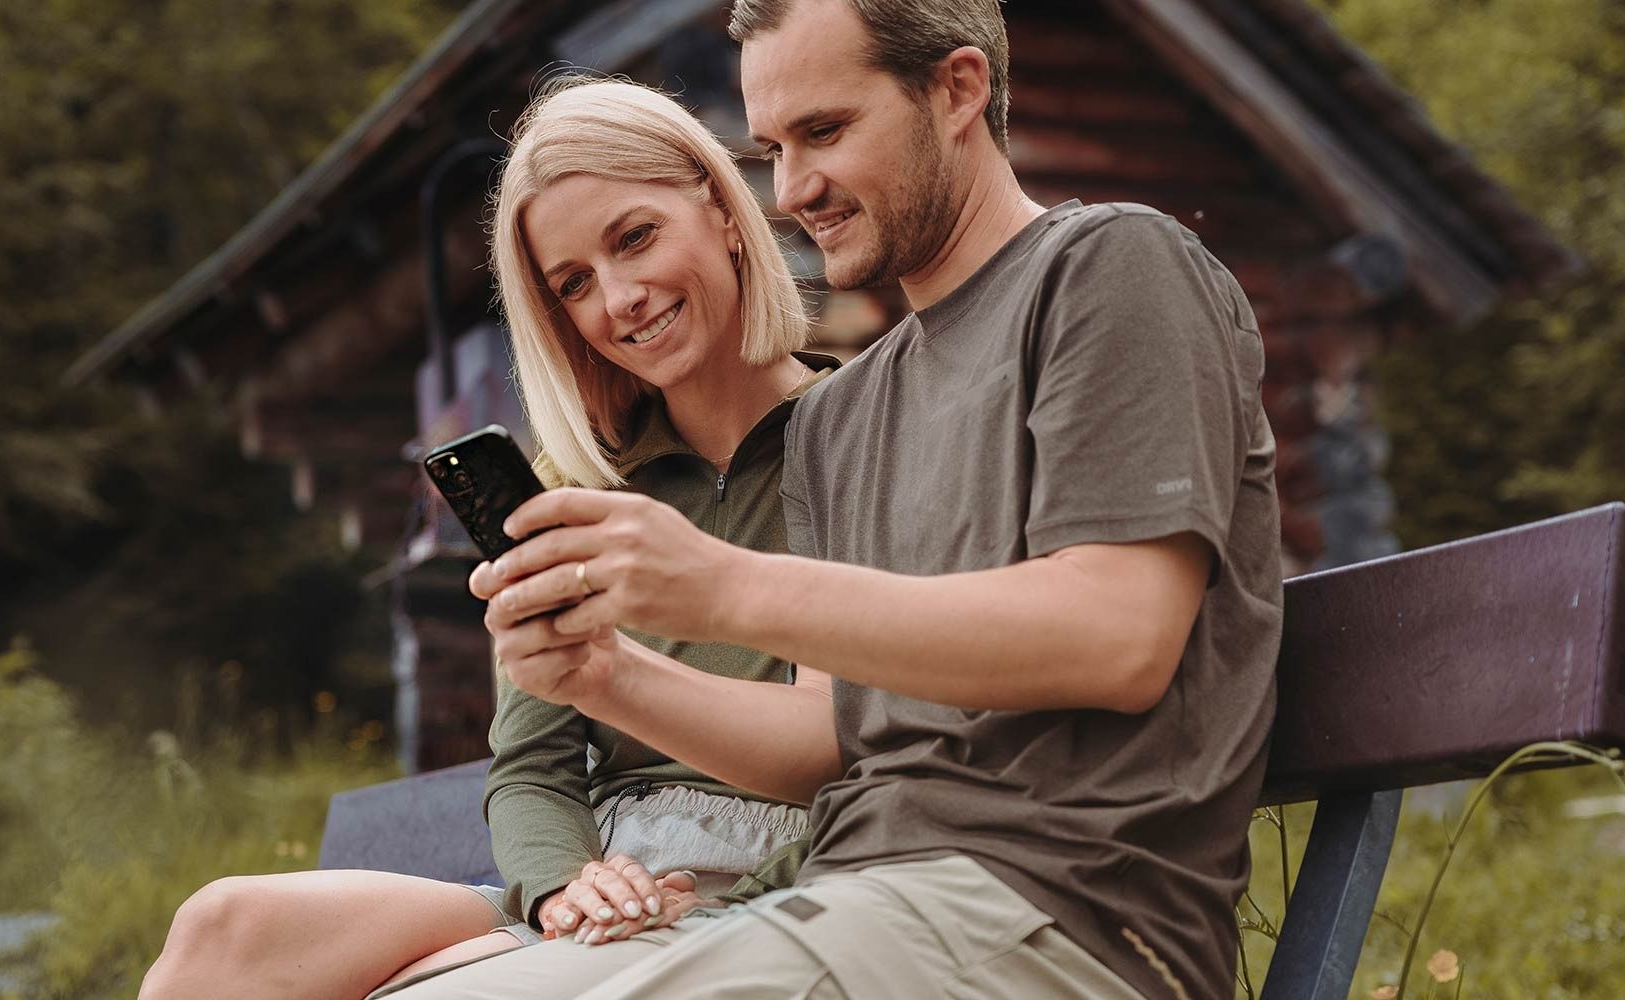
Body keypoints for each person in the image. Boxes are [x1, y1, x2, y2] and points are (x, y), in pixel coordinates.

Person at [385, 1, 1285, 999]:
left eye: (825, 132)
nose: (794, 187)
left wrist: (721, 587)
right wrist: (601, 671)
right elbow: (831, 740)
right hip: (850, 902)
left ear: (956, 91)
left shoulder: (1109, 267)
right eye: (772, 146)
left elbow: (1121, 636)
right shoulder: (842, 418)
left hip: (1060, 918)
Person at [137, 78, 841, 1000]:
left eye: (635, 238)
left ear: (715, 202)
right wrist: (563, 886)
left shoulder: (852, 432)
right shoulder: (575, 486)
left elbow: (861, 760)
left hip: (771, 866)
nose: (620, 300)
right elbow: (532, 768)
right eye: (575, 285)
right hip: (606, 867)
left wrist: (691, 907)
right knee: (222, 929)